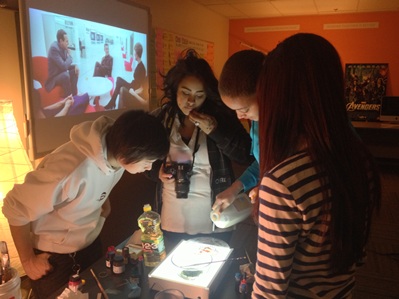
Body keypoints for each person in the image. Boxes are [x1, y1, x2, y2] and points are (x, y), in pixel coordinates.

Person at [252, 33, 381, 298]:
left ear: (276, 97)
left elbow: (269, 291)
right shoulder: (359, 158)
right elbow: (357, 253)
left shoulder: (282, 182)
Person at [2, 110, 170, 298]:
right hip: (54, 261)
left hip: (89, 245)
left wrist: (102, 203)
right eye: (148, 162)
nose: (148, 168)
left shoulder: (116, 153)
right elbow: (15, 206)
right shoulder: (70, 169)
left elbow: (97, 181)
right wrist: (28, 261)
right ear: (129, 154)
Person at [146, 49, 253, 251]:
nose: (191, 101)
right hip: (171, 219)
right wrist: (156, 171)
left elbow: (246, 154)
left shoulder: (221, 117)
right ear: (175, 90)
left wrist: (215, 131)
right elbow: (143, 158)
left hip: (215, 220)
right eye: (185, 93)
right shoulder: (162, 118)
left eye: (199, 95)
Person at [212, 49, 265, 215]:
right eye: (234, 111)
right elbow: (262, 162)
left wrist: (268, 188)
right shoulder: (257, 121)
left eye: (245, 109)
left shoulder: (299, 128)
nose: (240, 116)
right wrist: (234, 189)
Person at [104, 42, 146, 110]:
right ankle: (112, 102)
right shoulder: (140, 65)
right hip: (132, 85)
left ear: (137, 54)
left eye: (135, 52)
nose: (134, 54)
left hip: (133, 88)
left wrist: (134, 92)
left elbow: (141, 87)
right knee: (118, 80)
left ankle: (112, 103)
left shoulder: (141, 67)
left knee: (119, 80)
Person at [45, 29, 79, 97]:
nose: (68, 43)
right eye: (66, 41)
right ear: (61, 41)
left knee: (74, 71)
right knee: (65, 75)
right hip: (54, 78)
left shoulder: (63, 47)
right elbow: (64, 66)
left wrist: (75, 66)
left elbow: (66, 64)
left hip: (61, 72)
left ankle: (74, 95)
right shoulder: (54, 49)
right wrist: (70, 56)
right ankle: (69, 99)